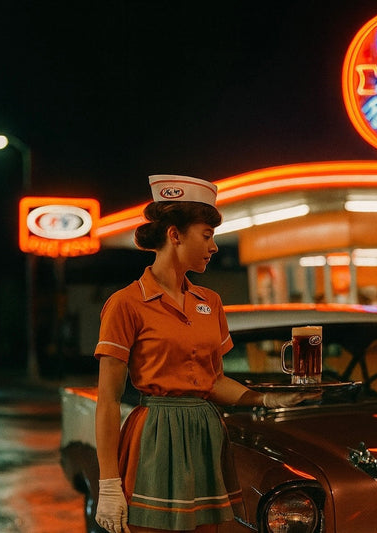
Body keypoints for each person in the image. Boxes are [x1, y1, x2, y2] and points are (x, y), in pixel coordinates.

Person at [94, 175, 319, 533]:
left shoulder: (210, 302)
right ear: (174, 235)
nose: (213, 247)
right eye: (207, 235)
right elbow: (106, 400)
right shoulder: (126, 303)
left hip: (205, 434)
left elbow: (213, 381)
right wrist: (108, 483)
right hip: (154, 436)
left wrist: (268, 400)